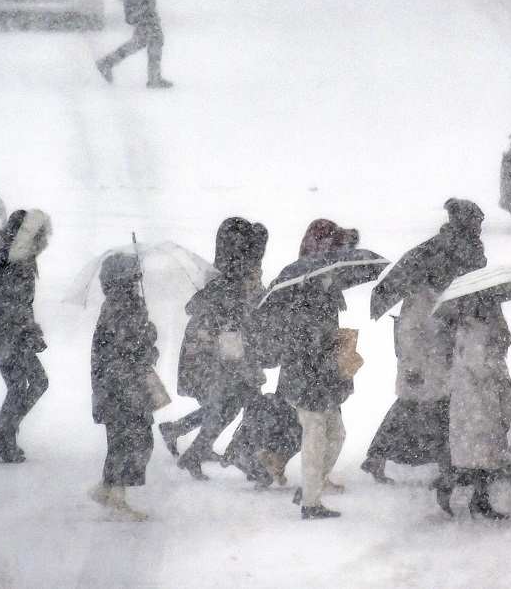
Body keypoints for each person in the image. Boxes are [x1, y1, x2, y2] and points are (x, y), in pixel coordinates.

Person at [361, 199, 485, 490]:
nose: (480, 229)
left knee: (424, 404)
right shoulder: (445, 261)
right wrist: (413, 364)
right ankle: (445, 462)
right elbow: (413, 329)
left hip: (434, 344)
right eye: (477, 223)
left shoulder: (442, 251)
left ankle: (383, 455)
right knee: (433, 404)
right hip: (425, 348)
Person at [162, 218, 269, 482]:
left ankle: (182, 435)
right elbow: (212, 308)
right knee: (233, 400)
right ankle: (199, 449)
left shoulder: (230, 273)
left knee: (229, 401)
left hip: (226, 347)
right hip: (221, 350)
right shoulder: (227, 279)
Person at [277, 219, 361, 519]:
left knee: (335, 434)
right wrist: (329, 347)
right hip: (306, 377)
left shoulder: (326, 286)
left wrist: (338, 346)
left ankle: (310, 489)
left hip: (322, 376)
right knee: (315, 437)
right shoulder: (302, 289)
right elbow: (303, 340)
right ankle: (310, 503)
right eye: (337, 251)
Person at [88, 252, 159, 521]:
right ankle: (116, 497)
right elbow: (129, 346)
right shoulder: (124, 306)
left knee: (122, 439)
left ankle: (108, 489)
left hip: (114, 385)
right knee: (135, 440)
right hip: (123, 386)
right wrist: (148, 336)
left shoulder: (118, 304)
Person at [0, 209, 53, 464]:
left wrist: (28, 328)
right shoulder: (11, 259)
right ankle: (5, 437)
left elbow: (13, 301)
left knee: (25, 385)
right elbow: (8, 301)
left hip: (7, 331)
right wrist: (27, 329)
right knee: (26, 384)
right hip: (7, 332)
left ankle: (5, 433)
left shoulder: (14, 255)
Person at [444, 290, 511, 520]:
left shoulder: (470, 328)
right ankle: (457, 491)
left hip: (477, 401)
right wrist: (496, 354)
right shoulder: (474, 331)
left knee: (483, 454)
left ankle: (479, 498)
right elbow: (481, 367)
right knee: (480, 453)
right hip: (477, 402)